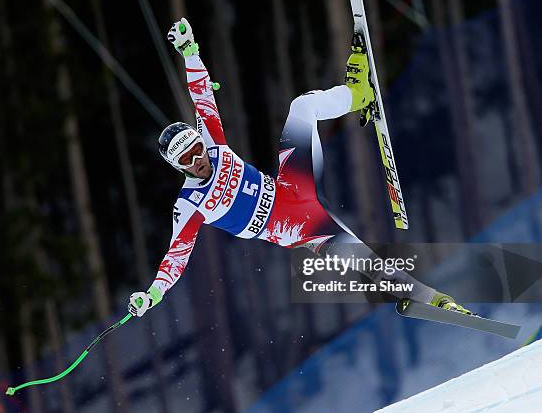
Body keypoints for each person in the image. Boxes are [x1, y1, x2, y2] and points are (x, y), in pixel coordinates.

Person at [128, 18, 470, 317]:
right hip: (297, 228)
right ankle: (438, 301)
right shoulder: (188, 205)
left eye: (196, 148)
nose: (198, 159)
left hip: (293, 184)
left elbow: (203, 97)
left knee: (302, 108)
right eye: (186, 159)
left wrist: (189, 52)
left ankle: (358, 94)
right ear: (177, 166)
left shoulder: (215, 146)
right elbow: (175, 258)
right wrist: (152, 295)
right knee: (366, 261)